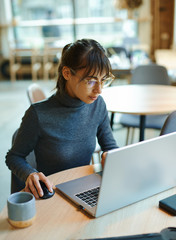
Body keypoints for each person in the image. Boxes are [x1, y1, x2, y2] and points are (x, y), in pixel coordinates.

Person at [6, 39, 118, 199]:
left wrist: (112, 155)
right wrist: (30, 174)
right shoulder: (38, 114)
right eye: (91, 80)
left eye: (103, 80)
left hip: (83, 189)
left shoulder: (97, 105)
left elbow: (110, 146)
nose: (99, 89)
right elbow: (14, 157)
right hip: (52, 193)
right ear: (67, 73)